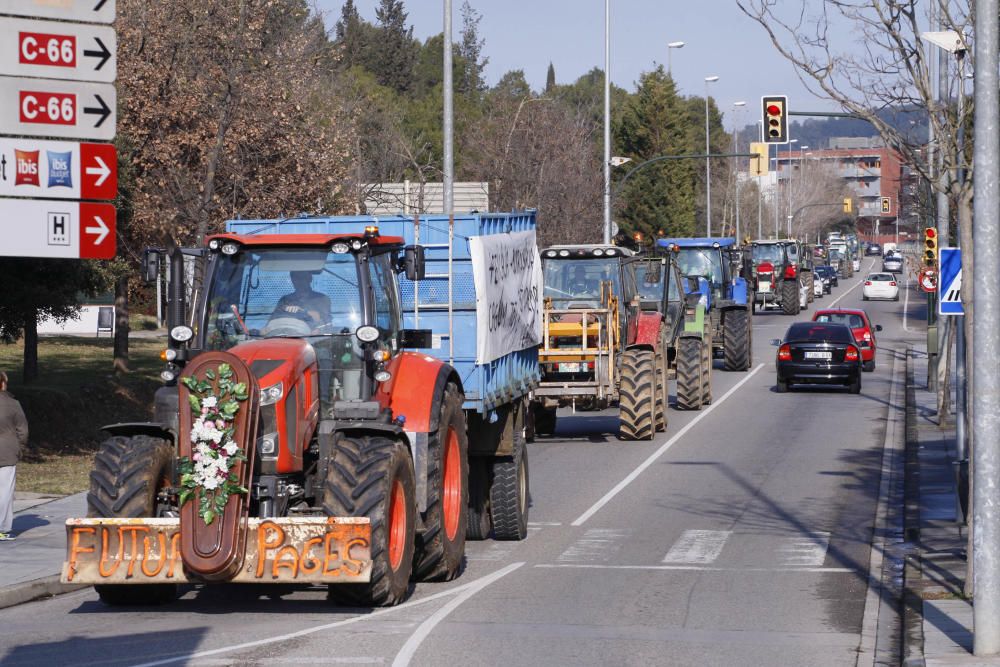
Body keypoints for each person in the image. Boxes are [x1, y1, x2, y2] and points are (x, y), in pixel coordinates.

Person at [0, 371, 28, 541]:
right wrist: (20, 448)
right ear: (3, 383)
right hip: (7, 452)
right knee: (4, 492)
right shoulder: (12, 404)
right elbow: (23, 431)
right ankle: (2, 528)